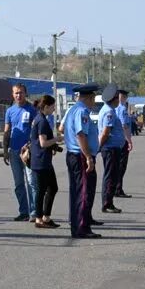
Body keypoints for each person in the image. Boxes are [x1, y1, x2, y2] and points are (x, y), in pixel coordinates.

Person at [63, 84, 101, 239]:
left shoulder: (73, 110)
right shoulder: (81, 111)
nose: (93, 103)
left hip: (74, 155)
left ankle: (78, 224)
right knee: (83, 192)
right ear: (89, 98)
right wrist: (88, 157)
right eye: (93, 99)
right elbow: (81, 135)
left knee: (77, 191)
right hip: (80, 156)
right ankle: (81, 227)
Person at [3, 84, 39, 222]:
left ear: (26, 93)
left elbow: (36, 131)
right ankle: (23, 211)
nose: (19, 95)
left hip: (28, 152)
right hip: (14, 151)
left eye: (21, 93)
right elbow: (7, 132)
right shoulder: (10, 111)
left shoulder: (32, 110)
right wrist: (5, 150)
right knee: (19, 184)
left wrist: (30, 146)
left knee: (31, 182)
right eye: (16, 93)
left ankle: (34, 212)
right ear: (13, 95)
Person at [29, 95, 60, 228]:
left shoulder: (40, 119)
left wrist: (54, 146)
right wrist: (57, 139)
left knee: (52, 188)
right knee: (43, 190)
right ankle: (39, 219)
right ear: (46, 107)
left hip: (43, 160)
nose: (53, 110)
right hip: (40, 161)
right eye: (52, 107)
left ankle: (45, 217)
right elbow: (42, 143)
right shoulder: (41, 121)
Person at [97, 85, 126, 215]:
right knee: (110, 177)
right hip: (110, 149)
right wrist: (98, 148)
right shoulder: (109, 112)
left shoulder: (108, 110)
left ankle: (109, 202)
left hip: (112, 149)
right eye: (117, 98)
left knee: (112, 176)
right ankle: (107, 203)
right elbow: (105, 133)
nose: (118, 101)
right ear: (113, 99)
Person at [116, 89, 134, 198]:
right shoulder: (122, 109)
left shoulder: (114, 108)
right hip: (123, 141)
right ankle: (118, 189)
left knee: (117, 166)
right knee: (121, 166)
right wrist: (129, 141)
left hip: (117, 141)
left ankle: (116, 188)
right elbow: (124, 126)